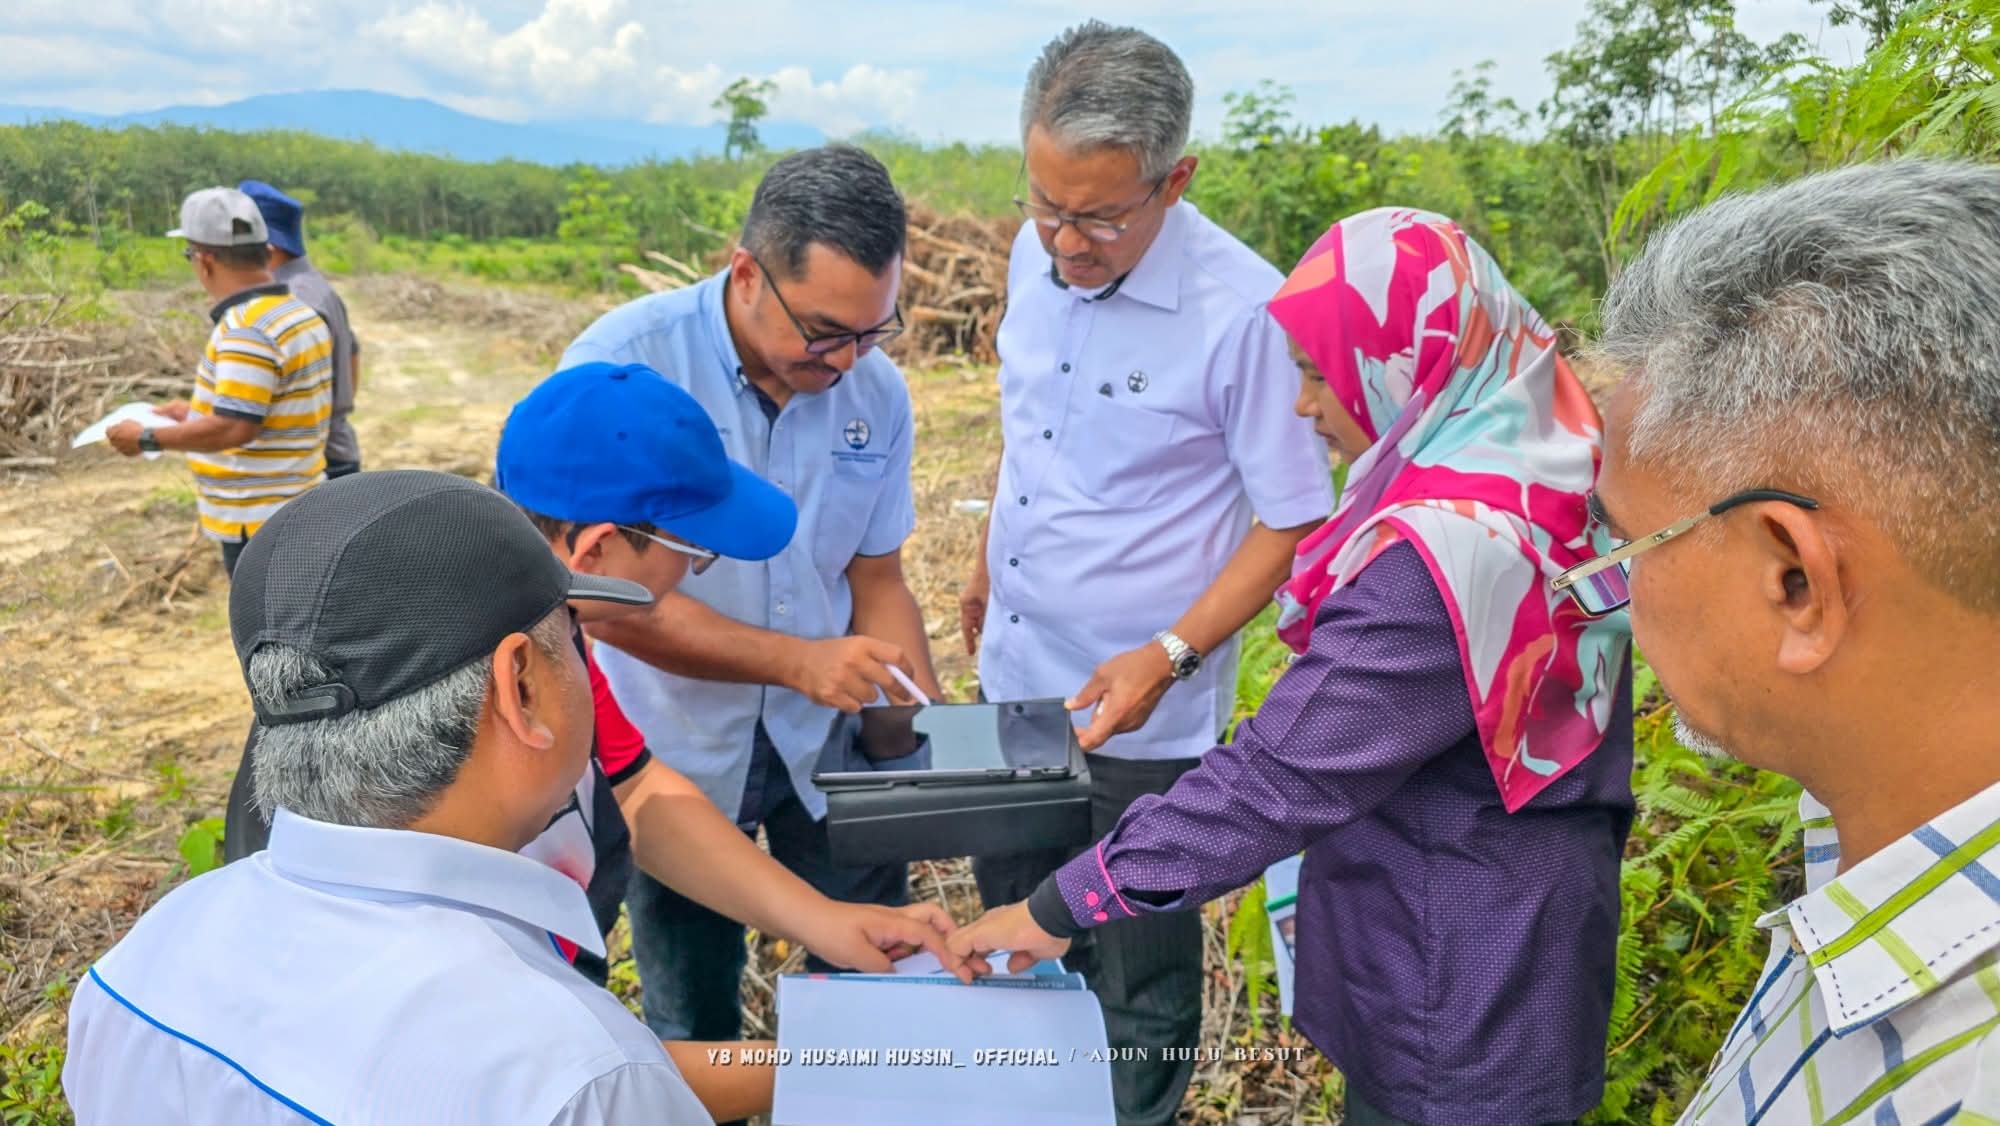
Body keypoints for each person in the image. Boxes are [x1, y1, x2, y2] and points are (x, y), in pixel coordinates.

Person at [951, 208, 1636, 1126]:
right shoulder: (1531, 469)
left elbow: (1274, 781)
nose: (1303, 406)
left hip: (1459, 969)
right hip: (1507, 913)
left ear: (1408, 366)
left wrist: (1056, 907)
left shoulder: (1435, 562)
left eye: (1319, 375)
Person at [65, 471, 715, 1124]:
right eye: (570, 631)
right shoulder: (582, 1077)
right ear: (518, 685)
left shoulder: (137, 967)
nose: (584, 659)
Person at [1572, 160, 2000, 1125]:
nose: (1614, 590)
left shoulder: (1960, 1088)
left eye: (1627, 540)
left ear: (1794, 580)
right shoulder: (1863, 823)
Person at [958, 23, 1332, 1122]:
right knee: (1016, 927)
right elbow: (1026, 420)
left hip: (1140, 719)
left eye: (1099, 217)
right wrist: (988, 555)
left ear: (1176, 180)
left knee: (1132, 971)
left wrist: (1168, 656)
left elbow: (1289, 519)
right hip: (1014, 673)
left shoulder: (1242, 315)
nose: (1064, 243)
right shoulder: (1038, 253)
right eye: (1044, 204)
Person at [557, 144, 942, 1046]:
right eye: (822, 331)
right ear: (745, 273)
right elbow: (601, 595)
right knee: (692, 1001)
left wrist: (907, 729)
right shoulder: (627, 371)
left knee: (867, 968)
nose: (845, 360)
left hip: (824, 745)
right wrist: (797, 662)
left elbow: (876, 577)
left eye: (870, 332)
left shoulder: (872, 393)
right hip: (671, 737)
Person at [105, 187, 332, 576]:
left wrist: (146, 437)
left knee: (270, 634)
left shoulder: (247, 329)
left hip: (259, 522)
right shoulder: (297, 314)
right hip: (299, 507)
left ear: (205, 259)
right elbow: (269, 410)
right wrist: (195, 413)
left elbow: (235, 427)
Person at [239, 179, 364, 479]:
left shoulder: (294, 301)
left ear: (268, 248)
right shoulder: (313, 286)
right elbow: (353, 354)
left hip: (317, 460)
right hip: (333, 448)